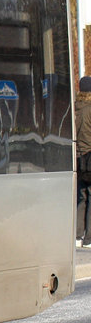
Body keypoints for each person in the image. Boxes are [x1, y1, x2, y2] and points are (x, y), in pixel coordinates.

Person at [77, 77, 91, 246]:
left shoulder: (75, 109)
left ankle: (77, 234)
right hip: (90, 155)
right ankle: (89, 238)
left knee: (81, 196)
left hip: (78, 157)